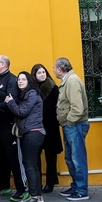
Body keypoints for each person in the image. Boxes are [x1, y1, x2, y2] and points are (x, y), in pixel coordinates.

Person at [5, 71, 44, 202]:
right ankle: (37, 194)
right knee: (32, 165)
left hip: (32, 133)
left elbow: (22, 111)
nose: (20, 81)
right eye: (19, 80)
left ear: (29, 81)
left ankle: (34, 196)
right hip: (31, 132)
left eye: (23, 79)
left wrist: (10, 102)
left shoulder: (31, 94)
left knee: (29, 165)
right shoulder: (27, 94)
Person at [0, 55, 24, 200]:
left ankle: (21, 187)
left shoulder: (11, 80)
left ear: (3, 64)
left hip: (8, 125)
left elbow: (10, 102)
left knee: (12, 156)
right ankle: (4, 185)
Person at [54, 57, 89, 201]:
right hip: (71, 125)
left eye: (54, 67)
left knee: (77, 158)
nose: (54, 70)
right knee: (70, 158)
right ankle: (76, 186)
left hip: (75, 125)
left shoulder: (72, 81)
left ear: (60, 69)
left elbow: (77, 107)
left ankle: (81, 190)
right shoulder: (68, 81)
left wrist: (69, 122)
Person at [31, 64, 62, 194]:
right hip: (36, 126)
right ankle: (36, 182)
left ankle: (50, 182)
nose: (42, 74)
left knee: (51, 157)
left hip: (51, 126)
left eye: (44, 72)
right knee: (35, 156)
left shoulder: (53, 88)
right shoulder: (31, 89)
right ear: (34, 75)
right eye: (39, 73)